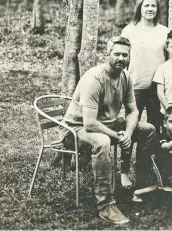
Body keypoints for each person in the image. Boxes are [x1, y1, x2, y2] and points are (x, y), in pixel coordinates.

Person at [60, 36, 156, 224]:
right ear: (107, 54)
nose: (121, 58)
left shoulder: (125, 77)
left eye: (125, 55)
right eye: (117, 54)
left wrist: (127, 133)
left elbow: (133, 110)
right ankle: (105, 205)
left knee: (148, 129)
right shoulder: (94, 78)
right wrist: (116, 136)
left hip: (106, 125)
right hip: (75, 130)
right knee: (103, 142)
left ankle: (141, 186)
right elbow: (89, 123)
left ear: (129, 57)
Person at [120, 0, 169, 136]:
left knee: (155, 126)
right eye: (146, 5)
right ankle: (126, 158)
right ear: (139, 8)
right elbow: (122, 60)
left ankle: (149, 158)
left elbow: (168, 60)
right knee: (131, 125)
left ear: (158, 9)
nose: (150, 9)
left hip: (157, 88)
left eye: (153, 6)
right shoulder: (128, 31)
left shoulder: (165, 31)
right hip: (134, 87)